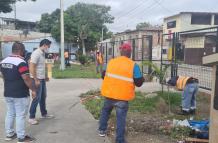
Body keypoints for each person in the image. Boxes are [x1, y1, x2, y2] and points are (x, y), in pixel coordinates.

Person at [98, 42, 144, 143]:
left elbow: (103, 75)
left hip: (109, 94)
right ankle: (119, 140)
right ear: (130, 52)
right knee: (120, 119)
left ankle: (101, 130)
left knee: (105, 112)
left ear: (121, 51)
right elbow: (139, 83)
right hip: (122, 97)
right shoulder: (133, 65)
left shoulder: (111, 62)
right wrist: (142, 78)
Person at [0, 42, 36, 143]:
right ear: (21, 51)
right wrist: (33, 89)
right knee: (20, 115)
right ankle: (21, 137)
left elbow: (2, 75)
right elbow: (26, 78)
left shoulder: (3, 61)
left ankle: (10, 134)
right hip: (20, 94)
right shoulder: (21, 62)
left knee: (10, 113)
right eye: (23, 51)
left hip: (8, 92)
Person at [28, 39, 54, 125]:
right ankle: (31, 117)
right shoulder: (36, 53)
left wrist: (46, 76)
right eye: (48, 46)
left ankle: (44, 114)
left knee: (43, 97)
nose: (49, 48)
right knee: (36, 98)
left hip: (42, 79)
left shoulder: (43, 54)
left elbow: (41, 67)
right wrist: (35, 79)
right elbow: (32, 67)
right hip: (37, 79)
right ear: (45, 45)